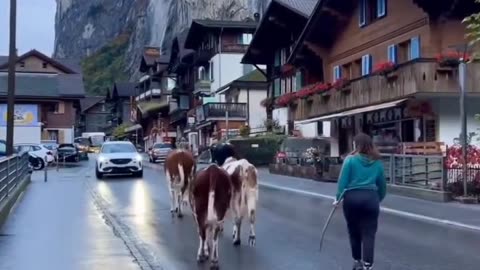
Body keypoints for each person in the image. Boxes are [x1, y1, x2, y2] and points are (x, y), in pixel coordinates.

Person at [335, 133, 387, 270]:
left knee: (354, 231)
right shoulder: (377, 162)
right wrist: (377, 199)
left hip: (352, 198)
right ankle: (368, 265)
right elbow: (382, 186)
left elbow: (342, 182)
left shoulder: (350, 160)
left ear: (356, 145)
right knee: (369, 232)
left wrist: (337, 198)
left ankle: (357, 260)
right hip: (371, 198)